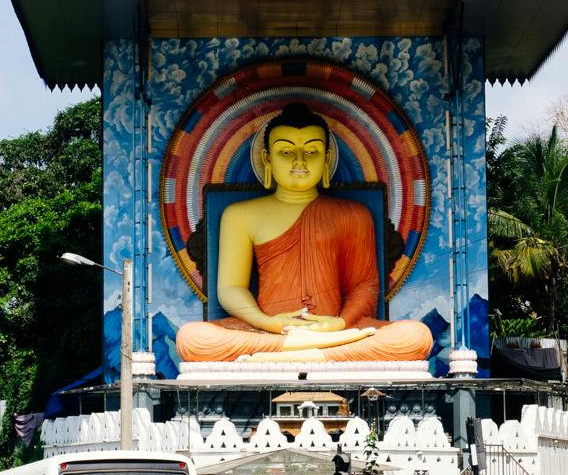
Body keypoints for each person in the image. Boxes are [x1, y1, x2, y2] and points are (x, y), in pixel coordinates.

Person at [174, 103, 434, 364]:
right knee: (193, 338)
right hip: (269, 331)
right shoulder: (240, 215)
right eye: (286, 151)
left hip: (336, 330)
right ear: (267, 159)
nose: (299, 161)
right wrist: (269, 323)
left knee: (415, 336)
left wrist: (338, 325)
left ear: (327, 158)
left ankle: (288, 353)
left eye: (311, 151)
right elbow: (231, 288)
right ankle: (320, 351)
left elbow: (364, 287)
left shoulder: (355, 214)